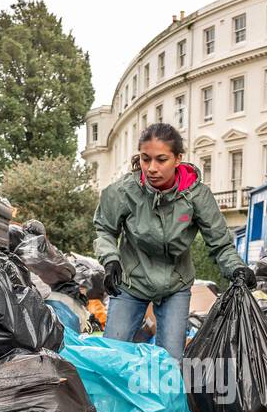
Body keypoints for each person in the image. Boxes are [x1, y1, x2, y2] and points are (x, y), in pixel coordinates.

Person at [94, 123, 253, 361]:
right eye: (145, 159)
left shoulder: (197, 196)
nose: (151, 168)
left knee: (170, 361)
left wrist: (237, 268)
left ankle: (162, 398)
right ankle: (110, 398)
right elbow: (104, 229)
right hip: (130, 282)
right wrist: (110, 261)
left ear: (178, 158)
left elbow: (220, 244)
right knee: (112, 357)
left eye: (161, 160)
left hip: (175, 285)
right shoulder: (124, 191)